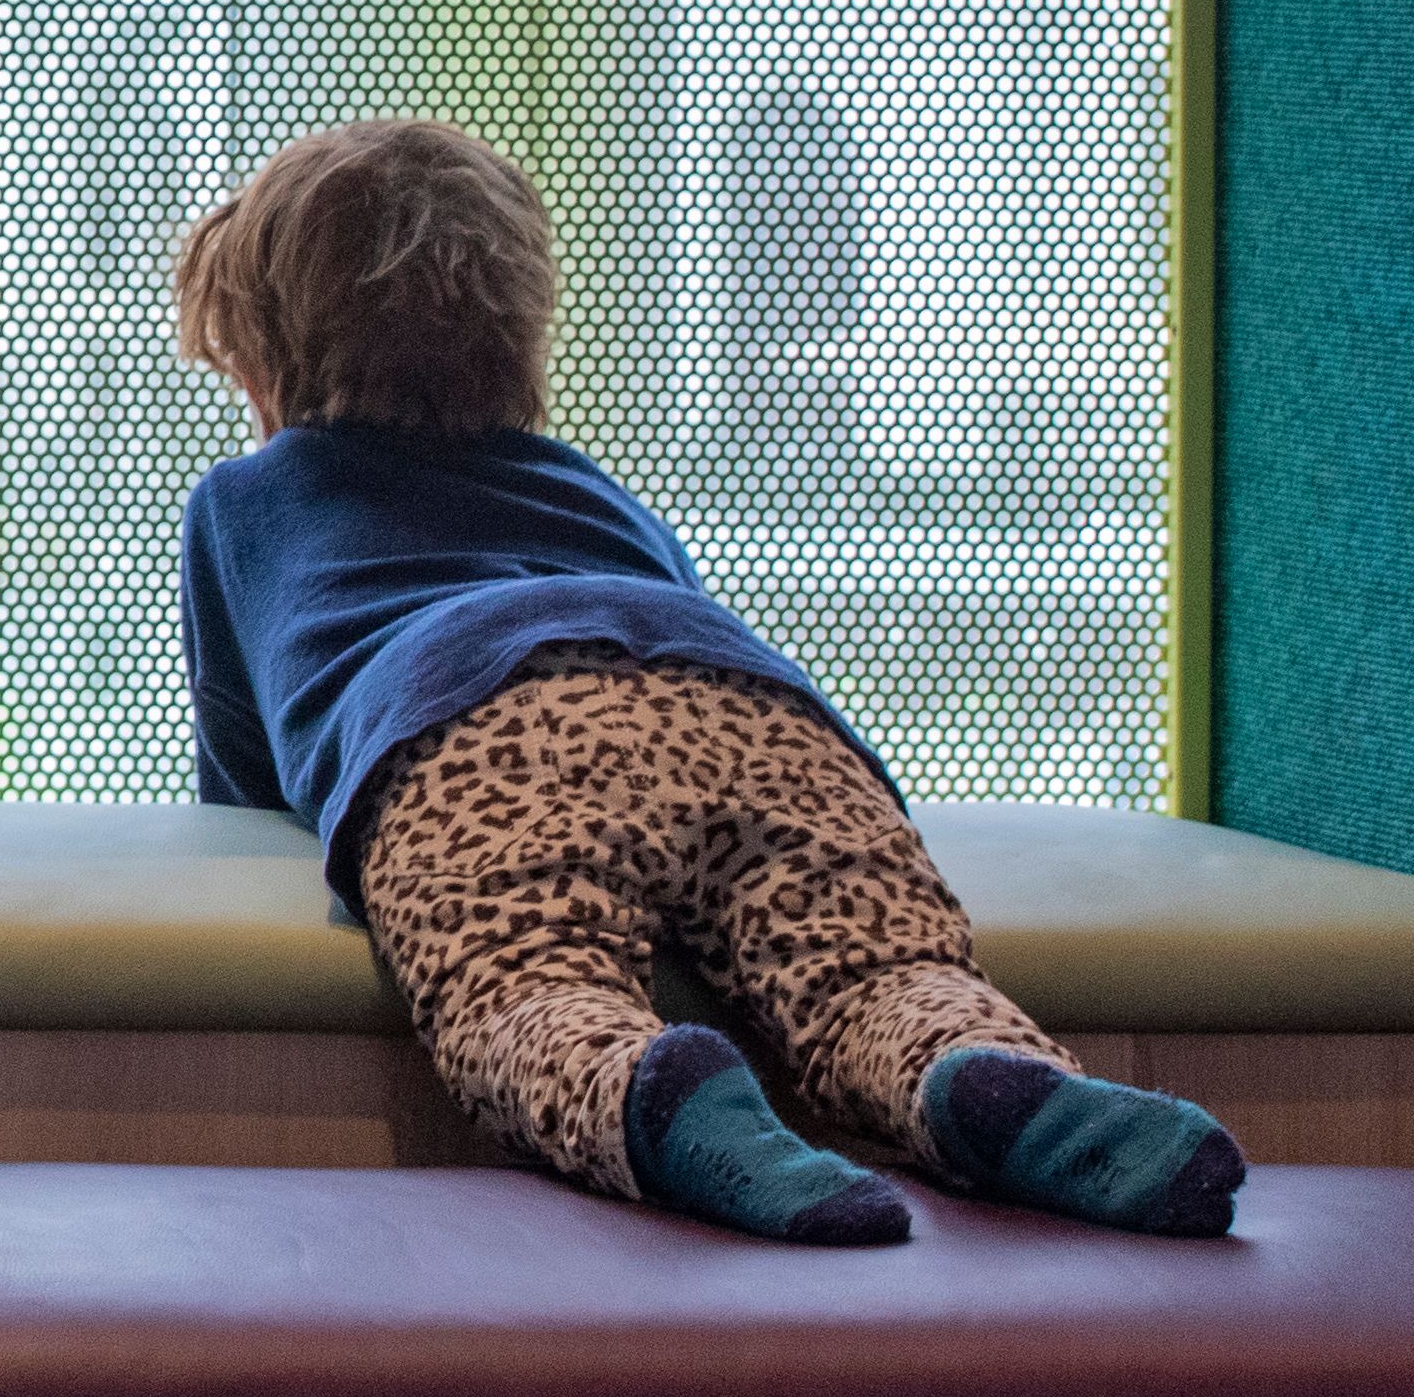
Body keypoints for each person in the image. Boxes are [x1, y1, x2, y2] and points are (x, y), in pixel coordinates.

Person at [171, 118, 1243, 1242]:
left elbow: (245, 784)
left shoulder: (242, 504)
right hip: (750, 704)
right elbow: (660, 632)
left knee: (526, 986)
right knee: (873, 966)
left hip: (474, 731)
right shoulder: (593, 489)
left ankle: (656, 1097)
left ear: (264, 364)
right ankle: (976, 1069)